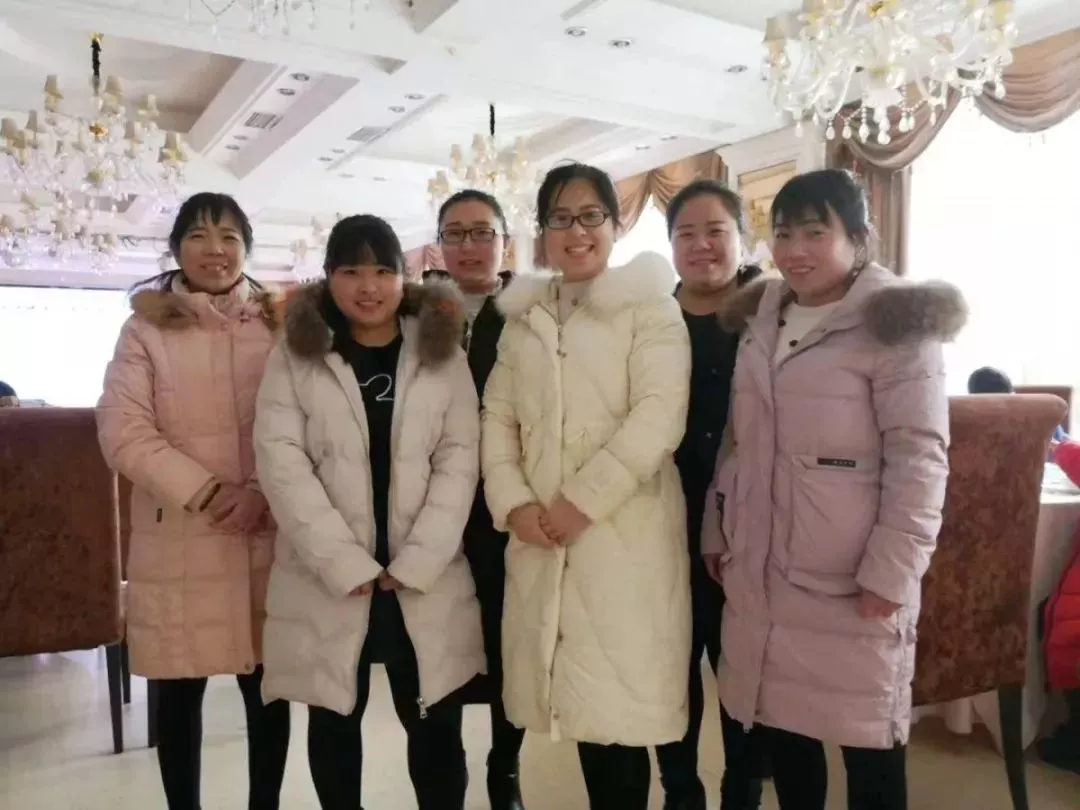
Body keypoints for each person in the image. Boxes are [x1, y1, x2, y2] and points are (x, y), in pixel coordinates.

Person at [702, 169, 966, 810]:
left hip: (851, 583)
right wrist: (719, 528)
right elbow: (738, 441)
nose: (794, 251)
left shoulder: (895, 323)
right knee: (788, 741)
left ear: (859, 238)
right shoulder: (763, 316)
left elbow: (920, 459)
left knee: (869, 747)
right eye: (783, 234)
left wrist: (892, 572)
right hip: (763, 568)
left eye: (815, 233)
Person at [253, 214, 484, 810]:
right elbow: (281, 462)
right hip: (327, 578)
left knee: (436, 729)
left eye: (383, 270)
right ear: (328, 276)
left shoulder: (440, 350)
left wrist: (420, 559)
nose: (368, 286)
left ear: (404, 276)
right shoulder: (296, 353)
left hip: (423, 578)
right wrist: (342, 561)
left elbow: (460, 460)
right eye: (351, 271)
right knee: (334, 725)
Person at [482, 162, 692, 810]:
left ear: (615, 222)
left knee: (619, 721)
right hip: (541, 537)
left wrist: (582, 502)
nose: (577, 232)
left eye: (591, 216)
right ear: (542, 230)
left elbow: (659, 417)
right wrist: (514, 503)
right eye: (560, 218)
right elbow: (498, 418)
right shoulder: (522, 320)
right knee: (574, 706)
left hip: (622, 539)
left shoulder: (650, 308)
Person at [96, 192, 290, 810]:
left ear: (247, 248)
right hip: (179, 538)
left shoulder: (281, 326)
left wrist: (261, 491)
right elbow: (123, 431)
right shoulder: (145, 329)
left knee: (270, 692)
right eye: (200, 236)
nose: (215, 249)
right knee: (179, 699)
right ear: (177, 248)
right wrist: (208, 492)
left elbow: (307, 423)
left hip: (264, 531)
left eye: (229, 236)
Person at [659, 179, 765, 810]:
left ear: (741, 239)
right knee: (671, 668)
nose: (701, 245)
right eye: (686, 234)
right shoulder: (650, 318)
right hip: (661, 524)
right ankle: (680, 791)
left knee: (743, 670)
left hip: (747, 527)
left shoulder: (770, 316)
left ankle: (742, 792)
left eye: (715, 231)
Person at [433, 189, 525, 810]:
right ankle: (448, 773)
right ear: (439, 244)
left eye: (482, 232)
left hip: (505, 507)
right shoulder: (417, 316)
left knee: (506, 643)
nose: (469, 246)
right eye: (455, 233)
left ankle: (505, 768)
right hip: (434, 511)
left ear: (504, 241)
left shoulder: (530, 313)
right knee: (439, 646)